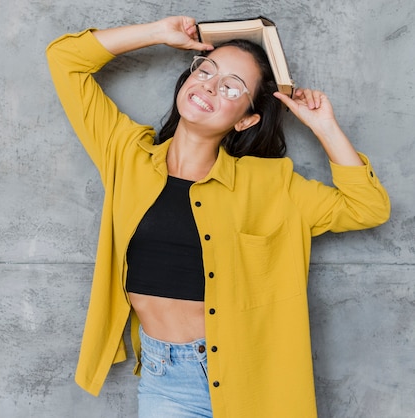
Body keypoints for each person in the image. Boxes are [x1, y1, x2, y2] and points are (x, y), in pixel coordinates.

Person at [45, 16, 390, 418]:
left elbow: (368, 207)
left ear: (245, 119)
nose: (209, 85)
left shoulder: (271, 184)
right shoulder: (127, 155)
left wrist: (325, 128)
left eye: (230, 87)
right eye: (206, 71)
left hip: (255, 384)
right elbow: (64, 59)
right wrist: (157, 33)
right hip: (166, 381)